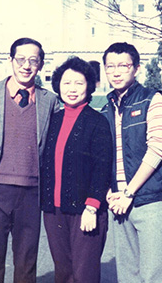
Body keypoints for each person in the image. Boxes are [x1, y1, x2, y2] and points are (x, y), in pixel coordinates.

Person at [0, 38, 60, 283]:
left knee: (26, 262)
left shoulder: (50, 101)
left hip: (31, 194)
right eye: (21, 59)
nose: (26, 66)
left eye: (33, 60)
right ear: (10, 61)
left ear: (41, 65)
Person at [101, 42, 162, 283]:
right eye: (111, 66)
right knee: (127, 275)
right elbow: (104, 157)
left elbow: (158, 148)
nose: (117, 71)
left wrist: (129, 192)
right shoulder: (106, 108)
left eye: (123, 65)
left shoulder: (153, 100)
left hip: (147, 200)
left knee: (153, 274)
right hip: (118, 202)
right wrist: (111, 192)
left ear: (136, 69)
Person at [41, 57, 113, 283]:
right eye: (66, 83)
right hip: (54, 210)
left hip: (85, 210)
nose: (72, 89)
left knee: (84, 275)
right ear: (58, 86)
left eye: (79, 83)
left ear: (89, 86)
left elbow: (103, 167)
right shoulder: (53, 119)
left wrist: (92, 207)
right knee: (62, 272)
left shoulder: (97, 121)